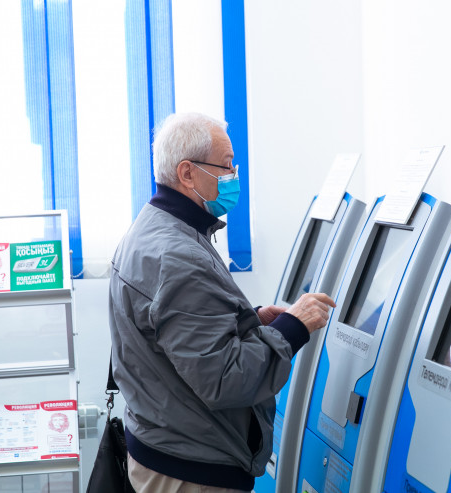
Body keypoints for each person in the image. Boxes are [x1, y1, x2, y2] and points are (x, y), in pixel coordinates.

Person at [109, 112, 335, 493]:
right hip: (192, 471)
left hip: (165, 447)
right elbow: (225, 380)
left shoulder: (154, 227)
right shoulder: (179, 257)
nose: (234, 176)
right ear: (187, 173)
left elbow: (182, 336)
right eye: (226, 166)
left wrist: (252, 321)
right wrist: (292, 328)